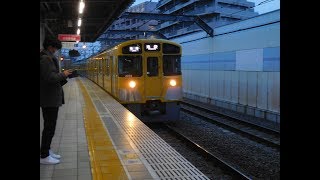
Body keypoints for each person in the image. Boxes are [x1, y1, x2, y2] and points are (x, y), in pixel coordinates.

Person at [40, 38, 72, 164]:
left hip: (49, 97)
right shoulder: (45, 59)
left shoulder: (45, 57)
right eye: (55, 48)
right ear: (50, 47)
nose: (55, 51)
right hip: (49, 98)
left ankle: (46, 151)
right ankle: (44, 156)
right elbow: (49, 77)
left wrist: (63, 75)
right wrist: (63, 74)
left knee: (49, 126)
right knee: (49, 127)